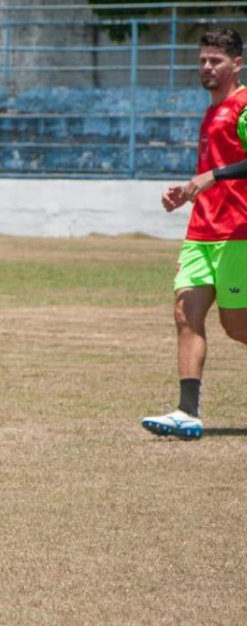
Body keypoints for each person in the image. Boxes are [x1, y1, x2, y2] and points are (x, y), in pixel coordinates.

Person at [142, 28, 247, 440]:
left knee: (237, 327)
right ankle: (187, 412)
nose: (206, 67)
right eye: (203, 59)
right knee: (185, 315)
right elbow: (213, 179)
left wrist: (212, 176)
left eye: (215, 60)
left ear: (236, 64)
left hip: (239, 235)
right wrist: (187, 192)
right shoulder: (209, 112)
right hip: (201, 232)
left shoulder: (243, 105)